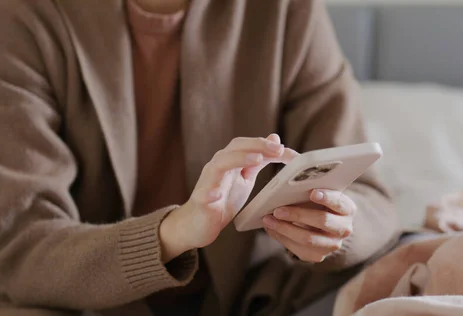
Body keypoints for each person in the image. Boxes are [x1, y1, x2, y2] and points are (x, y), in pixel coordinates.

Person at [0, 0, 400, 315]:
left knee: (422, 266)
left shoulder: (286, 9)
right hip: (85, 304)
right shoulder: (26, 16)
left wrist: (335, 228)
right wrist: (175, 232)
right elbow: (22, 245)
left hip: (264, 296)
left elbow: (372, 200)